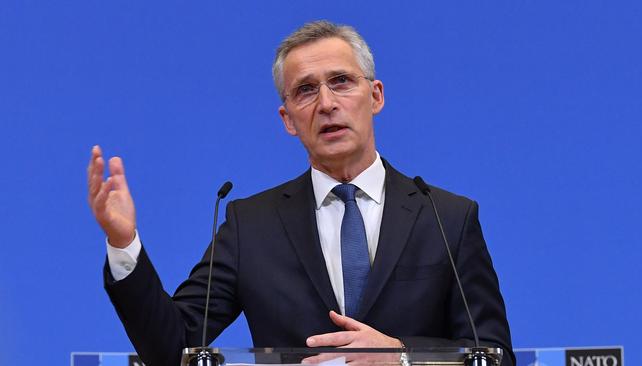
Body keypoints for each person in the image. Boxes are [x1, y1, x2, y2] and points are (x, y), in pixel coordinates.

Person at [87, 21, 514, 366]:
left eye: (342, 81)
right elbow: (171, 348)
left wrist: (401, 357)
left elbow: (493, 357)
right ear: (288, 118)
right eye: (306, 90)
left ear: (376, 96)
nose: (326, 103)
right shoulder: (251, 225)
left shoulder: (447, 217)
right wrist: (124, 243)